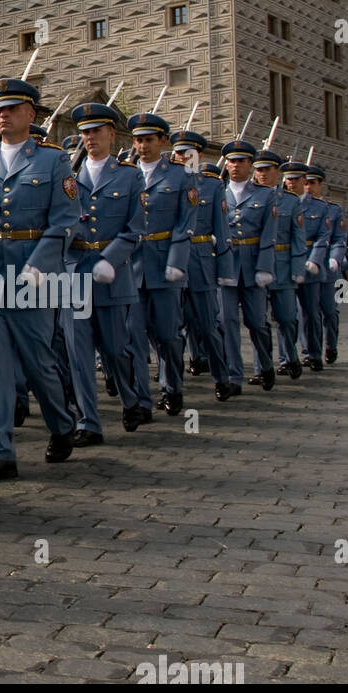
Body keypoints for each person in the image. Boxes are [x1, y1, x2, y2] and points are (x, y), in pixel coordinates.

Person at [0, 78, 77, 484]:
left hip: (33, 274)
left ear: (31, 114)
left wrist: (42, 263)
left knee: (38, 361)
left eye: (11, 108)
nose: (2, 115)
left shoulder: (52, 160)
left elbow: (65, 220)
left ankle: (61, 425)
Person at [61, 103, 144, 445]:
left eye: (96, 131)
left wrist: (112, 258)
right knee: (78, 353)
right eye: (85, 132)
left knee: (114, 349)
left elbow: (136, 227)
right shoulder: (67, 172)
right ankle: (88, 422)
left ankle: (131, 398)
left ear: (112, 134)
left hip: (112, 272)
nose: (90, 138)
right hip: (73, 270)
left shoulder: (129, 175)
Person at [124, 112, 197, 418]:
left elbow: (186, 222)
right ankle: (141, 399)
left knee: (168, 336)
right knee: (134, 336)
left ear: (162, 141)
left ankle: (172, 387)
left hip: (166, 264)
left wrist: (177, 260)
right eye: (138, 140)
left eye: (148, 140)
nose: (142, 146)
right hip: (132, 266)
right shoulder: (125, 174)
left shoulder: (182, 176)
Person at [168, 132, 235, 401]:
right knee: (170, 329)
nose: (183, 157)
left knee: (207, 327)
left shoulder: (211, 186)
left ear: (199, 156)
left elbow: (223, 230)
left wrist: (226, 270)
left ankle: (222, 377)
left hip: (200, 260)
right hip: (171, 259)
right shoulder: (167, 181)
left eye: (189, 153)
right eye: (179, 153)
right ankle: (170, 385)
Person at [217, 139, 279, 395]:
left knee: (256, 322)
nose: (235, 165)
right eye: (231, 161)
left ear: (250, 165)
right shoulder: (217, 193)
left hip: (253, 263)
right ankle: (233, 376)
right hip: (227, 263)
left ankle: (265, 365)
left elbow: (270, 234)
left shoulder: (265, 194)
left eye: (241, 161)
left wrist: (265, 267)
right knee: (227, 321)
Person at [249, 147, 308, 381]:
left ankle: (290, 356)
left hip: (282, 266)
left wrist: (298, 268)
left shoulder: (290, 201)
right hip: (254, 267)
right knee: (257, 321)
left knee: (286, 318)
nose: (262, 174)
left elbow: (298, 238)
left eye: (267, 170)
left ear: (278, 173)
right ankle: (261, 368)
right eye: (259, 170)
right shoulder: (247, 198)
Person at [283, 160, 331, 370]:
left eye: (296, 179)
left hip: (310, 264)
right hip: (284, 264)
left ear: (305, 181)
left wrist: (314, 260)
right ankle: (287, 357)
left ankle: (313, 353)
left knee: (311, 313)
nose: (291, 183)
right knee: (285, 314)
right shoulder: (278, 202)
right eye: (288, 179)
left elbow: (323, 237)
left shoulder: (320, 208)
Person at [306, 168, 346, 364]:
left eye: (312, 183)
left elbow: (339, 239)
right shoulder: (297, 206)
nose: (308, 187)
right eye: (305, 183)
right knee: (310, 312)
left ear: (320, 184)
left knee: (330, 311)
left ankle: (331, 345)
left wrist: (335, 259)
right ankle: (310, 352)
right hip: (308, 267)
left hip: (330, 269)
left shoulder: (333, 209)